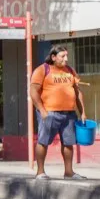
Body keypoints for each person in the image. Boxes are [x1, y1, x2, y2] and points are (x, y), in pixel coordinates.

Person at [30, 45, 86, 180]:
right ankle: (40, 172)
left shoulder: (70, 71)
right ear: (53, 57)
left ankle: (69, 172)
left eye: (67, 56)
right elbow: (33, 91)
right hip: (50, 113)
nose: (66, 59)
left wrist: (82, 112)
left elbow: (77, 92)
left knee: (68, 143)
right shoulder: (43, 69)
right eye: (62, 56)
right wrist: (42, 110)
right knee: (43, 142)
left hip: (69, 114)